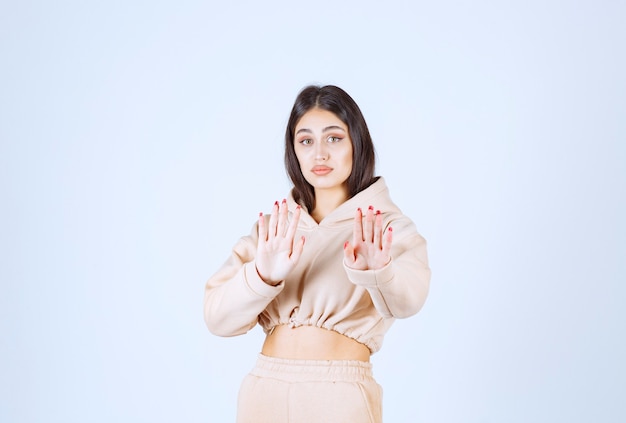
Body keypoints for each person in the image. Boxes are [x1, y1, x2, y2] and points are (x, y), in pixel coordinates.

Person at [203, 85, 431, 423]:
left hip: (338, 397)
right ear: (293, 151)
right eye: (306, 141)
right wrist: (262, 277)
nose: (319, 154)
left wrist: (378, 272)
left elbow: (408, 301)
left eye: (334, 138)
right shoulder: (273, 231)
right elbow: (217, 319)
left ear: (358, 143)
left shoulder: (384, 227)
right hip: (263, 394)